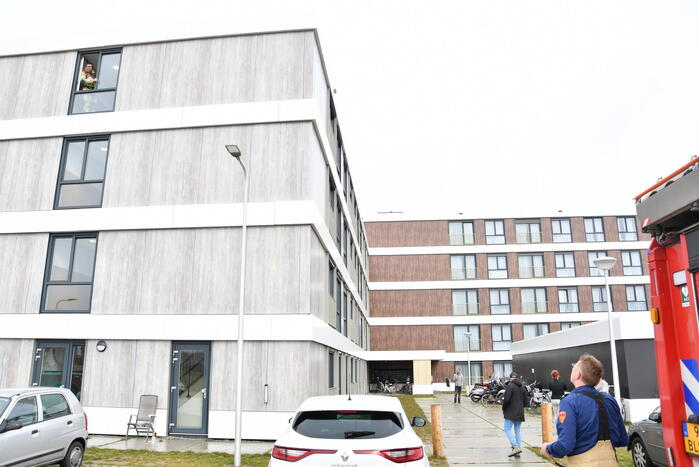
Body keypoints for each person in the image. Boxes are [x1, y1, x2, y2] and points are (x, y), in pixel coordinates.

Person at [540, 355, 628, 466]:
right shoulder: (609, 400)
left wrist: (548, 448)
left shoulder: (570, 401)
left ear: (578, 374)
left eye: (574, 366)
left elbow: (565, 445)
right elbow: (622, 440)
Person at [502, 371, 527, 458]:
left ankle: (515, 446)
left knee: (507, 429)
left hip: (510, 411)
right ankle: (518, 449)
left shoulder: (510, 386)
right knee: (517, 430)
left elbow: (506, 399)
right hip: (520, 411)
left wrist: (504, 408)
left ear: (510, 378)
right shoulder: (522, 386)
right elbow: (526, 401)